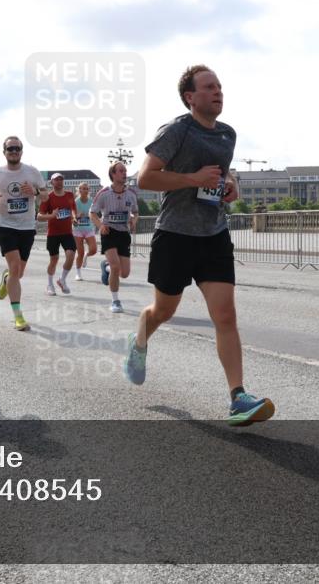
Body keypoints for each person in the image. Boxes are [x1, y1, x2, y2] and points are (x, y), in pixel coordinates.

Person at [124, 64, 274, 427]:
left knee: (225, 316)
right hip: (175, 235)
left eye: (219, 86)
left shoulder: (227, 134)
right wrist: (193, 179)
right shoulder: (177, 130)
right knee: (163, 311)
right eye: (209, 87)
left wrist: (232, 185)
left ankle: (238, 398)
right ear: (190, 97)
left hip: (213, 233)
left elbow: (222, 172)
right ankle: (140, 339)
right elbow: (145, 178)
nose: (218, 91)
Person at [0, 136, 48, 331]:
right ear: (4, 152)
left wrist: (35, 192)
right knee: (14, 267)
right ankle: (18, 316)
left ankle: (7, 280)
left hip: (27, 226)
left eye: (17, 148)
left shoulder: (32, 172)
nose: (14, 151)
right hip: (5, 225)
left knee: (18, 273)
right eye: (10, 148)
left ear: (21, 151)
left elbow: (46, 195)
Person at [90, 162, 139, 313]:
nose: (125, 173)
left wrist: (133, 220)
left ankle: (106, 266)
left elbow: (136, 212)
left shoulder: (131, 194)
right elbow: (92, 212)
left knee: (124, 273)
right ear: (113, 174)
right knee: (116, 266)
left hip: (123, 233)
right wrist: (100, 226)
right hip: (108, 232)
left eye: (125, 171)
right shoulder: (104, 193)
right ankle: (115, 301)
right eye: (121, 171)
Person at [37, 173, 77, 296]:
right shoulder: (48, 197)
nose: (59, 181)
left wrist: (74, 218)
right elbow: (39, 216)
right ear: (52, 183)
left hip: (67, 233)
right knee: (54, 260)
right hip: (53, 234)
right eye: (56, 180)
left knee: (71, 255)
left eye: (61, 179)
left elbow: (73, 209)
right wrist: (52, 215)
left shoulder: (70, 195)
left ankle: (62, 280)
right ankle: (50, 284)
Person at [72, 182, 97, 281]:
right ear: (79, 190)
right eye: (83, 188)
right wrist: (77, 216)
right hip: (77, 230)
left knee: (93, 250)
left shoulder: (91, 201)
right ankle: (78, 273)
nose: (85, 190)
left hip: (88, 228)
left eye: (87, 189)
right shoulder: (76, 202)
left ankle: (87, 255)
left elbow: (95, 213)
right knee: (80, 253)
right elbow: (72, 218)